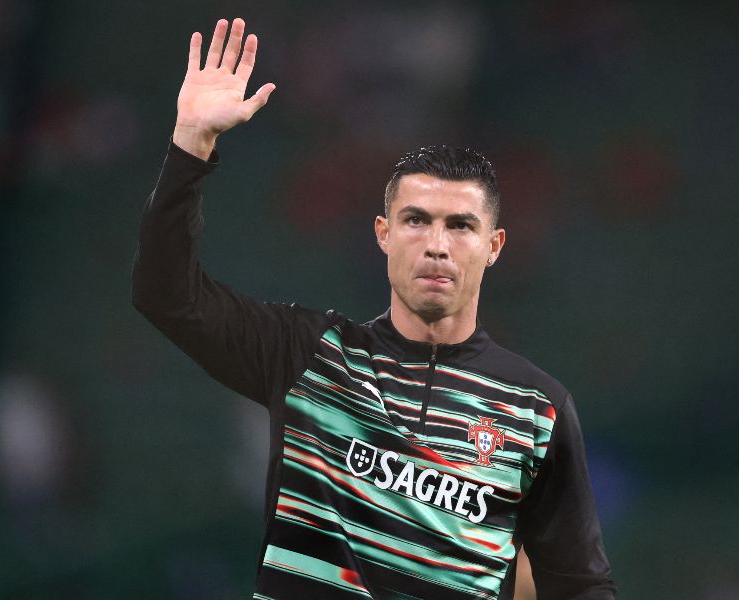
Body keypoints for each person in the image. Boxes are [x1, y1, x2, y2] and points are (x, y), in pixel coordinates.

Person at [132, 17, 616, 600]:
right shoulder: (309, 358)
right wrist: (191, 145)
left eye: (460, 225)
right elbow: (166, 295)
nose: (437, 244)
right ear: (383, 234)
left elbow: (580, 587)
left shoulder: (540, 410)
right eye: (417, 221)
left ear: (493, 247)